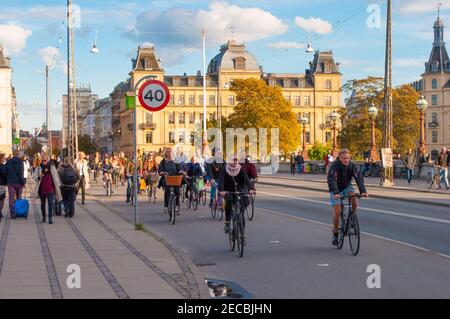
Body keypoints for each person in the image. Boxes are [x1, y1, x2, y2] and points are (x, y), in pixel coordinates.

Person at [327, 149, 369, 247]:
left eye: (348, 158)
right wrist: (336, 192)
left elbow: (358, 178)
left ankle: (352, 217)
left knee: (354, 198)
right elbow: (332, 180)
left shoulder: (351, 166)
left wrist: (363, 191)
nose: (346, 160)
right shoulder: (335, 166)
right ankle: (335, 232)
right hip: (336, 189)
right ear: (340, 158)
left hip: (347, 187)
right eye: (344, 158)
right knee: (337, 211)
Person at [218, 154, 256, 235]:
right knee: (229, 201)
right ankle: (227, 222)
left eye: (236, 159)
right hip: (228, 191)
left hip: (239, 190)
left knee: (241, 214)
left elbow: (246, 179)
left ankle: (242, 235)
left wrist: (251, 189)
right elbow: (221, 181)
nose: (234, 161)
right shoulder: (224, 169)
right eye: (233, 159)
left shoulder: (240, 169)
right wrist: (221, 190)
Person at [158, 148, 184, 213]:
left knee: (177, 191)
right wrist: (162, 172)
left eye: (170, 152)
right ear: (165, 153)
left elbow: (180, 168)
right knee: (167, 189)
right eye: (168, 152)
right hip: (166, 178)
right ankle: (166, 206)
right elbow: (160, 170)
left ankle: (177, 205)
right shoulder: (163, 161)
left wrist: (181, 171)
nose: (169, 153)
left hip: (175, 178)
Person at [35, 154, 56, 224]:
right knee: (42, 204)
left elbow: (56, 177)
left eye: (45, 160)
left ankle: (50, 218)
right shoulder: (39, 168)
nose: (44, 161)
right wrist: (39, 177)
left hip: (50, 188)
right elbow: (34, 177)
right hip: (42, 188)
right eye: (43, 160)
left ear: (48, 160)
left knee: (50, 203)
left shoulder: (52, 167)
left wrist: (57, 186)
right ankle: (44, 216)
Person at [4, 149, 25, 218]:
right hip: (18, 182)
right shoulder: (20, 162)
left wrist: (6, 180)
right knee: (18, 197)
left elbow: (5, 172)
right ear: (18, 154)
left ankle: (12, 213)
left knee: (11, 198)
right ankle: (18, 211)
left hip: (10, 182)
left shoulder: (8, 161)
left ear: (13, 154)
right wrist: (23, 182)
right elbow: (21, 173)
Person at [0, 153, 7, 222]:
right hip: (2, 184)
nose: (5, 158)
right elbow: (4, 175)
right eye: (4, 157)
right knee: (1, 199)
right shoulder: (3, 166)